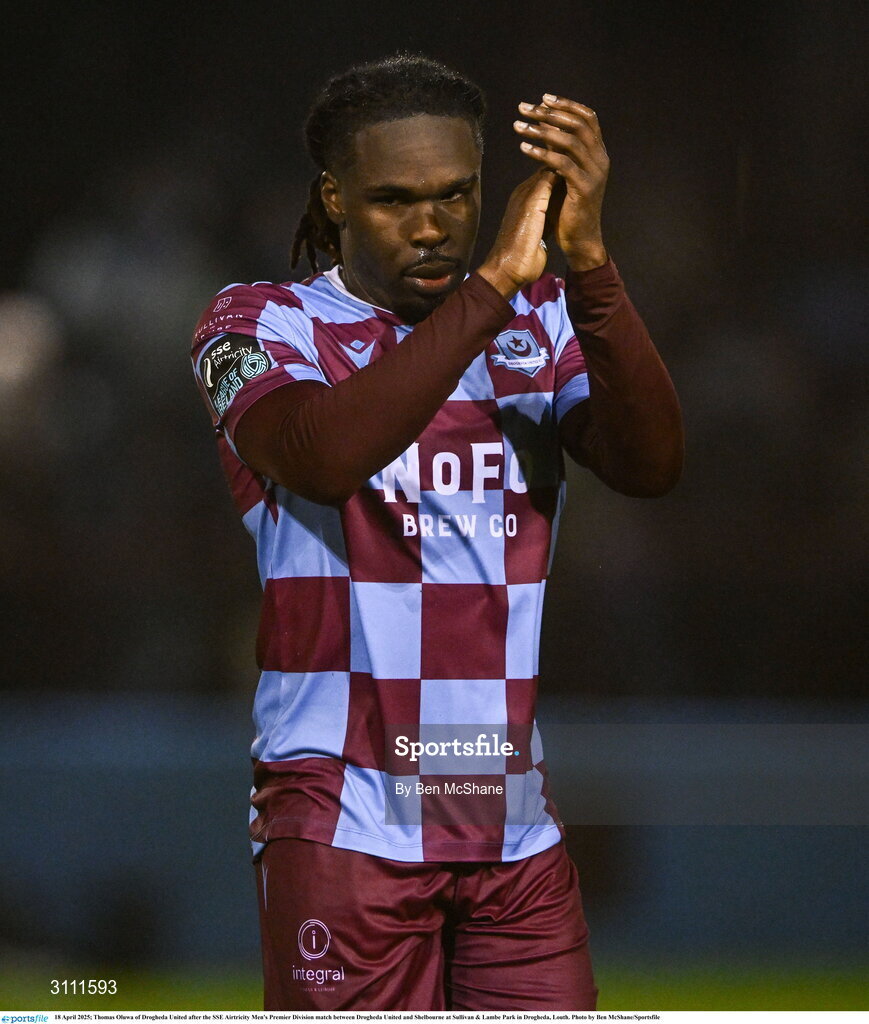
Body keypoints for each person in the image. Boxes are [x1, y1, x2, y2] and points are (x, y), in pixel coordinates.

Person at [191, 53, 682, 1012]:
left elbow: (650, 465)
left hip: (509, 823)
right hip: (345, 819)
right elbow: (322, 455)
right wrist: (498, 278)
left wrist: (591, 268)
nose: (433, 225)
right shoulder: (260, 324)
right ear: (332, 198)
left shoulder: (538, 323)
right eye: (394, 200)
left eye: (458, 196)